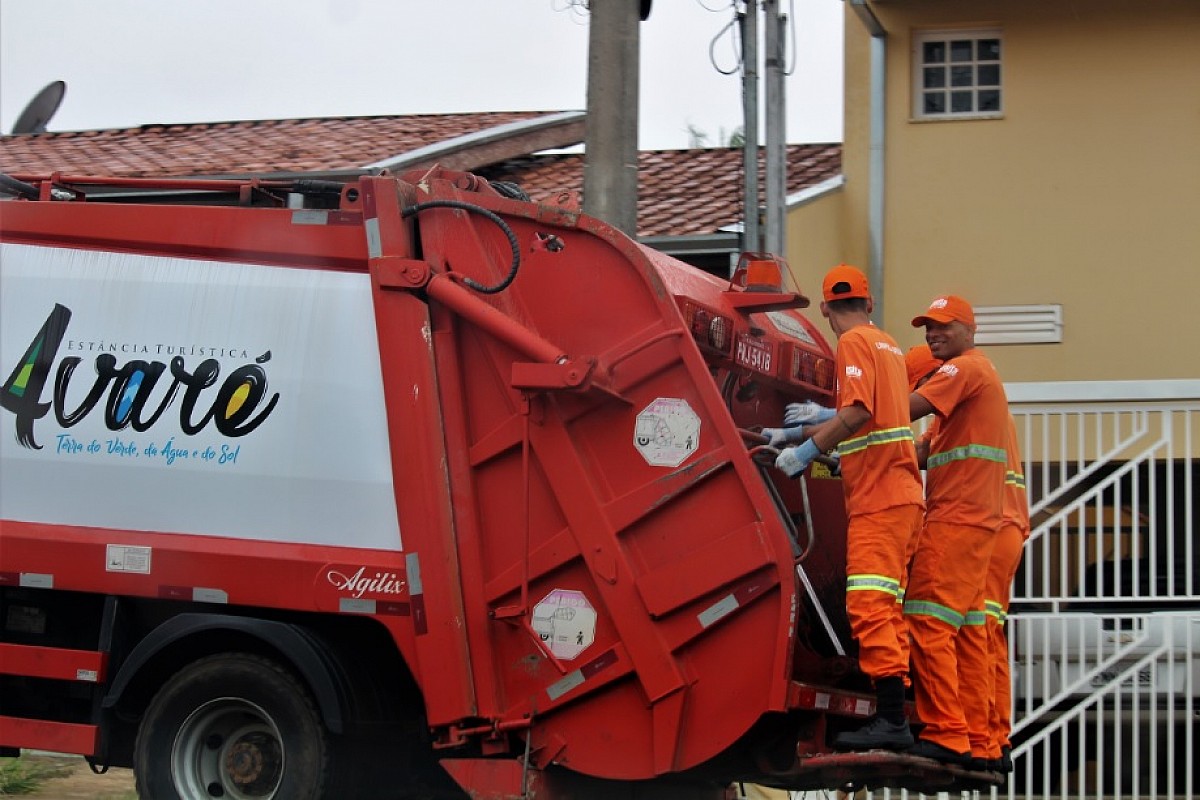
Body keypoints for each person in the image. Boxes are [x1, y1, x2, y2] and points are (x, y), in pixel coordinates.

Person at [771, 264, 925, 750]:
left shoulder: (853, 345)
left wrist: (805, 452)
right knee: (886, 607)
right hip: (899, 495)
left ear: (824, 308)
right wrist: (798, 432)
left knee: (869, 606)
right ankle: (894, 714)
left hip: (880, 501)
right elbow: (875, 421)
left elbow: (856, 415)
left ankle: (891, 722)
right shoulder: (889, 347)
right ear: (869, 304)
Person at [903, 294, 1010, 768]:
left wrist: (847, 411)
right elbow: (919, 452)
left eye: (943, 327)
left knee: (926, 620)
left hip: (957, 519)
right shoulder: (966, 392)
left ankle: (946, 731)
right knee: (967, 631)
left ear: (970, 331)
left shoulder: (963, 370)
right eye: (928, 327)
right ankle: (980, 742)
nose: (932, 334)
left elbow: (904, 408)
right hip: (975, 522)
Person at [985, 416, 1030, 773]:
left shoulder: (961, 394)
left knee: (978, 634)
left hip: (992, 528)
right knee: (990, 636)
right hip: (1005, 528)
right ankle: (997, 738)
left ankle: (987, 737)